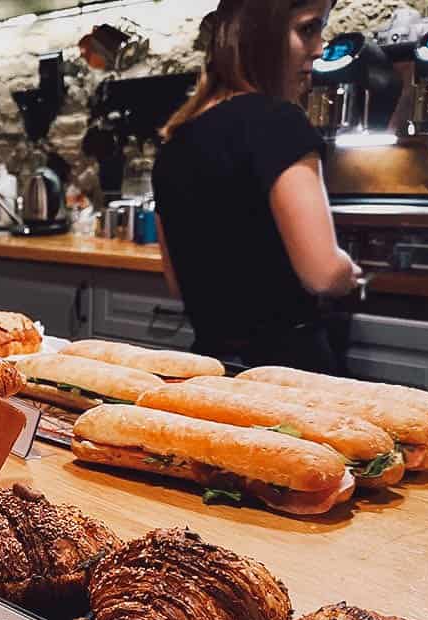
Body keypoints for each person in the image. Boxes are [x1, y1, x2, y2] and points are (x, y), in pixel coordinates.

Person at [153, 0, 361, 373]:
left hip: (209, 369)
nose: (319, 47)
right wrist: (348, 270)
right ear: (262, 32)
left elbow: (176, 284)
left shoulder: (174, 143)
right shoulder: (280, 123)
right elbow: (323, 272)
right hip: (288, 372)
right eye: (308, 29)